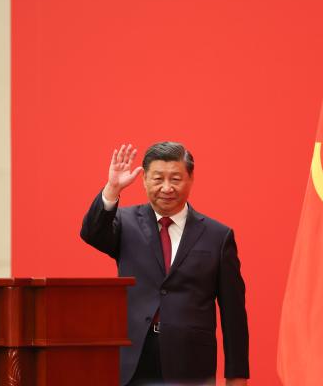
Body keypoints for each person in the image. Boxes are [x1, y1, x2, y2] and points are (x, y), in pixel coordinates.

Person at [81, 142, 249, 386]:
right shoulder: (125, 223)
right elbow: (91, 233)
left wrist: (236, 377)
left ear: (190, 179)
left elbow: (234, 316)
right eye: (158, 178)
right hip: (133, 360)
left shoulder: (217, 236)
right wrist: (112, 190)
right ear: (144, 180)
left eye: (176, 179)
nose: (167, 188)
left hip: (190, 363)